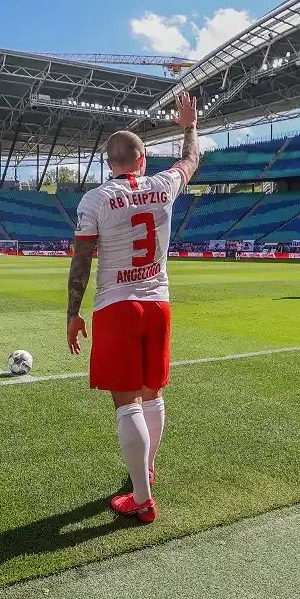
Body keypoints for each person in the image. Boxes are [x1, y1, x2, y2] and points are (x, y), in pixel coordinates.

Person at [66, 92, 200, 524]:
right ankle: (148, 470)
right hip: (158, 304)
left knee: (127, 405)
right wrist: (188, 126)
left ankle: (141, 499)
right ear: (142, 160)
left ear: (111, 164)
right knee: (153, 395)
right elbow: (192, 161)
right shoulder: (163, 186)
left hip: (116, 307)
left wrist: (73, 312)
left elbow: (82, 259)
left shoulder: (96, 199)